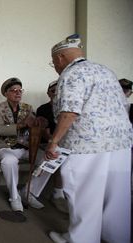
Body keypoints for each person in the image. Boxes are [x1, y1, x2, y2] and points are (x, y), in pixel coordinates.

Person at [46, 34, 132, 243]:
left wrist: (54, 141)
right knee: (118, 197)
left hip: (86, 146)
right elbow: (124, 106)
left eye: (53, 62)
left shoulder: (71, 73)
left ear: (59, 59)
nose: (55, 67)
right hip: (120, 143)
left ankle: (80, 239)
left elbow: (70, 112)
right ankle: (116, 237)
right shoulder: (106, 72)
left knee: (83, 195)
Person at [0, 78, 46, 212]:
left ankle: (28, 192)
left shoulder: (28, 107)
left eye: (20, 90)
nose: (18, 93)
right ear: (6, 93)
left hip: (24, 146)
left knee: (48, 159)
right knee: (9, 160)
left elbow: (33, 126)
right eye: (14, 90)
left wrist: (39, 123)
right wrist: (22, 124)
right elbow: (0, 129)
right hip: (4, 146)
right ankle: (14, 197)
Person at [36, 80, 68, 214]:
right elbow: (44, 132)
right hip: (48, 143)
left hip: (66, 144)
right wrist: (53, 142)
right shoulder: (43, 109)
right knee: (54, 156)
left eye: (58, 91)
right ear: (48, 93)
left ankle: (68, 193)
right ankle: (58, 194)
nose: (55, 93)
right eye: (53, 91)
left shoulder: (66, 108)